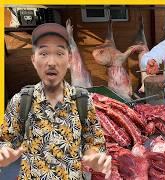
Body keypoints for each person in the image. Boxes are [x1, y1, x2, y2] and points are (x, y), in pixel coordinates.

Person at [0, 23, 111, 179]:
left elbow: (94, 142)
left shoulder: (83, 100)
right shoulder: (21, 101)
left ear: (69, 60)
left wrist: (94, 157)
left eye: (59, 53)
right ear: (33, 60)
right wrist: (5, 153)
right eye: (44, 53)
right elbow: (6, 139)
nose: (51, 62)